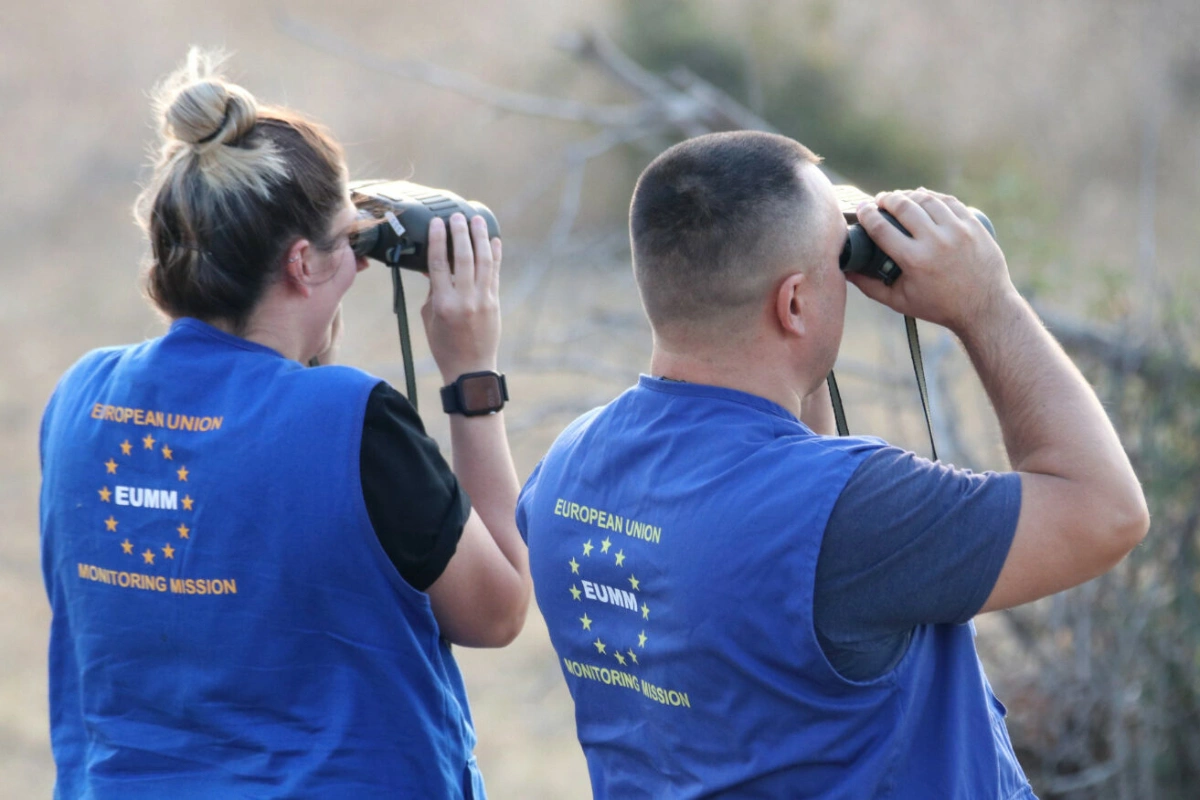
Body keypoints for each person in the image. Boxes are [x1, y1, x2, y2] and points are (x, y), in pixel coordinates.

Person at [516, 130, 1149, 798]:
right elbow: (1105, 512)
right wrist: (986, 303)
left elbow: (764, 502)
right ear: (792, 303)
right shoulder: (851, 513)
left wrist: (806, 253)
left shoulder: (565, 471)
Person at [38, 49, 529, 799]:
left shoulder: (79, 399)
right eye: (348, 241)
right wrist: (471, 378)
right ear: (302, 263)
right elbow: (496, 611)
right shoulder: (350, 421)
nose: (361, 265)